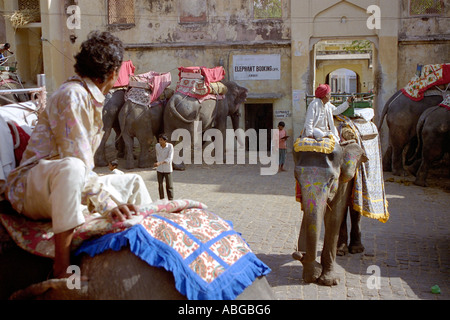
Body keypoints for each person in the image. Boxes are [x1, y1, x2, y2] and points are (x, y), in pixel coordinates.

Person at [5, 31, 153, 279]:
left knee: (133, 182)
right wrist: (107, 205)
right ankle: (62, 267)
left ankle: (146, 249)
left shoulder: (89, 96)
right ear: (114, 72)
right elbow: (78, 162)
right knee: (72, 168)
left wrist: (109, 203)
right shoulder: (73, 96)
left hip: (63, 182)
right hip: (33, 185)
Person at [154, 133, 174, 200]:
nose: (160, 141)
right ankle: (162, 199)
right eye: (159, 140)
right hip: (159, 169)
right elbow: (157, 155)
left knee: (169, 185)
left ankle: (170, 199)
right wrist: (158, 163)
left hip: (167, 169)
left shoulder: (170, 147)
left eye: (161, 140)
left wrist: (160, 163)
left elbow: (169, 158)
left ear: (165, 141)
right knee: (160, 185)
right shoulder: (157, 146)